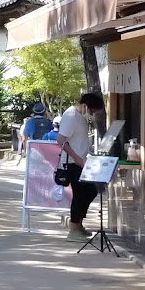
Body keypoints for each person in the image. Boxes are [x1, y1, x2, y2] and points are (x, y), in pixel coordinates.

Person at [56, 92, 103, 239]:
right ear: (85, 106)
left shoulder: (80, 118)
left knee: (90, 192)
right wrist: (76, 158)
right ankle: (73, 229)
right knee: (80, 194)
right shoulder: (71, 116)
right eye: (92, 111)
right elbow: (61, 140)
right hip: (72, 163)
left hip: (81, 161)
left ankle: (79, 224)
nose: (92, 114)